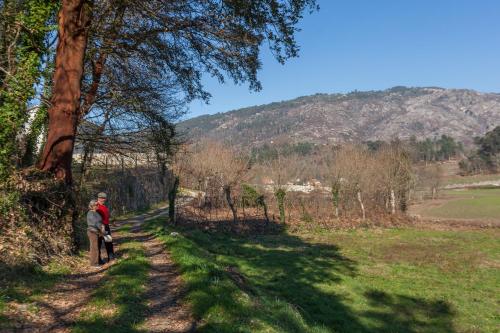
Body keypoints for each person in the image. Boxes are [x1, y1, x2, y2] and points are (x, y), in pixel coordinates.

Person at [96, 192, 115, 261]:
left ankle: (111, 257)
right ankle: (98, 259)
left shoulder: (104, 206)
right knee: (98, 244)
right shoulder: (96, 206)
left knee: (109, 241)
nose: (102, 199)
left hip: (106, 226)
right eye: (101, 198)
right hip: (99, 227)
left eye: (104, 198)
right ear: (98, 198)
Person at [87, 200, 105, 267]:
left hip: (98, 232)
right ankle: (94, 263)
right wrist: (101, 227)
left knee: (99, 246)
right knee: (94, 248)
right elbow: (95, 223)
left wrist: (102, 227)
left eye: (98, 204)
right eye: (96, 205)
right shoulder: (90, 213)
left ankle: (99, 260)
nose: (98, 206)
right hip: (92, 232)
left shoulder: (96, 212)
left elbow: (99, 221)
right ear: (92, 206)